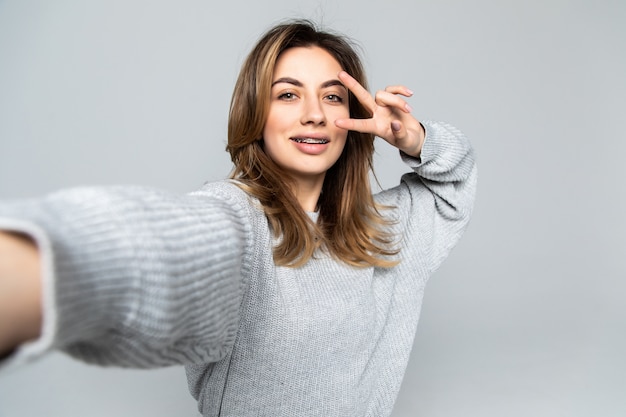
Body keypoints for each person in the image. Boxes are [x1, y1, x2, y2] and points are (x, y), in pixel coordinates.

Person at [0, 20, 477, 416]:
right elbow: (153, 251)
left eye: (332, 97)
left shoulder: (387, 228)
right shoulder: (238, 221)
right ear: (256, 111)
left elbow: (454, 181)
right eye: (287, 95)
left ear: (352, 115)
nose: (313, 114)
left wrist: (416, 140)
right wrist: (32, 266)